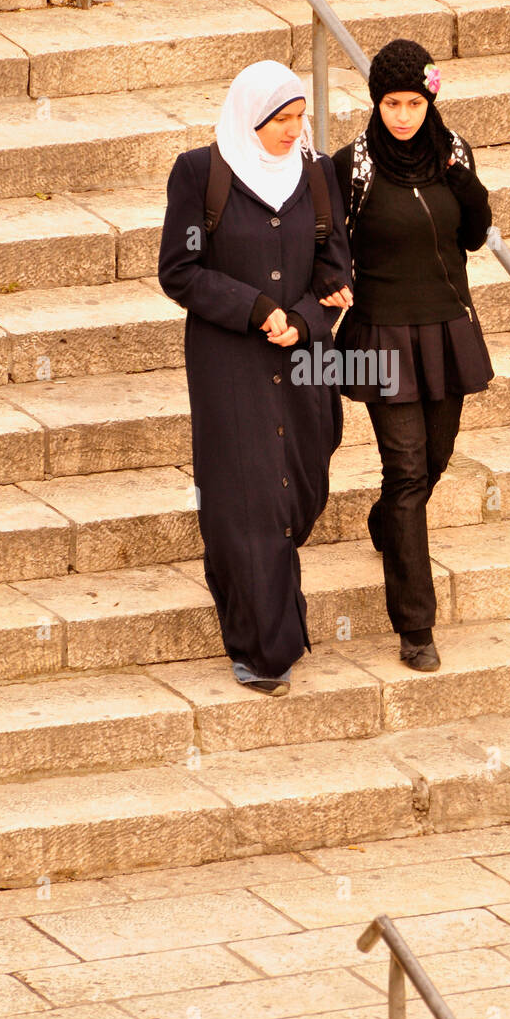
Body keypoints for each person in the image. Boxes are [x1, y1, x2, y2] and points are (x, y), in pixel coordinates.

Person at [158, 61, 352, 696]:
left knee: (301, 491)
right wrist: (256, 310)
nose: (294, 131)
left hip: (303, 362)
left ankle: (268, 610)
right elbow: (179, 270)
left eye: (300, 118)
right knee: (247, 506)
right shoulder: (199, 174)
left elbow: (336, 263)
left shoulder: (318, 174)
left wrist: (303, 318)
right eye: (281, 121)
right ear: (250, 118)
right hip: (230, 367)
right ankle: (263, 648)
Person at [319, 38, 493, 673]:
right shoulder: (353, 165)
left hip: (447, 327)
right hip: (381, 333)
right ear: (376, 103)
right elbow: (329, 240)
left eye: (413, 102)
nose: (402, 115)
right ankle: (416, 627)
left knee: (437, 457)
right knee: (409, 472)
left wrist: (462, 178)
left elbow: (473, 234)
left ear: (429, 100)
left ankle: (387, 523)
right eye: (391, 102)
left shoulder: (455, 153)